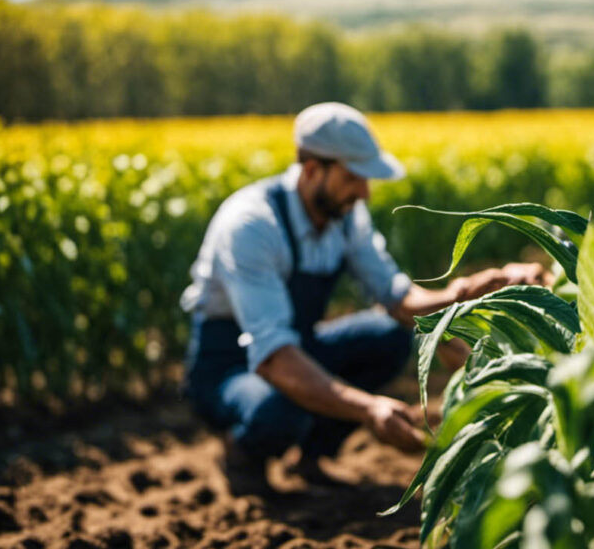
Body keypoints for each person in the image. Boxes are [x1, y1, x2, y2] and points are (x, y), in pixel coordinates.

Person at [180, 102, 548, 493]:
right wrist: (369, 408)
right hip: (229, 366)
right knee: (282, 410)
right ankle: (241, 454)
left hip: (296, 345)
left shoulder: (343, 216)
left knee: (389, 337)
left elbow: (397, 299)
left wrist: (468, 294)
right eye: (355, 178)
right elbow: (275, 360)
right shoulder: (252, 226)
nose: (365, 193)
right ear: (311, 171)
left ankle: (312, 456)